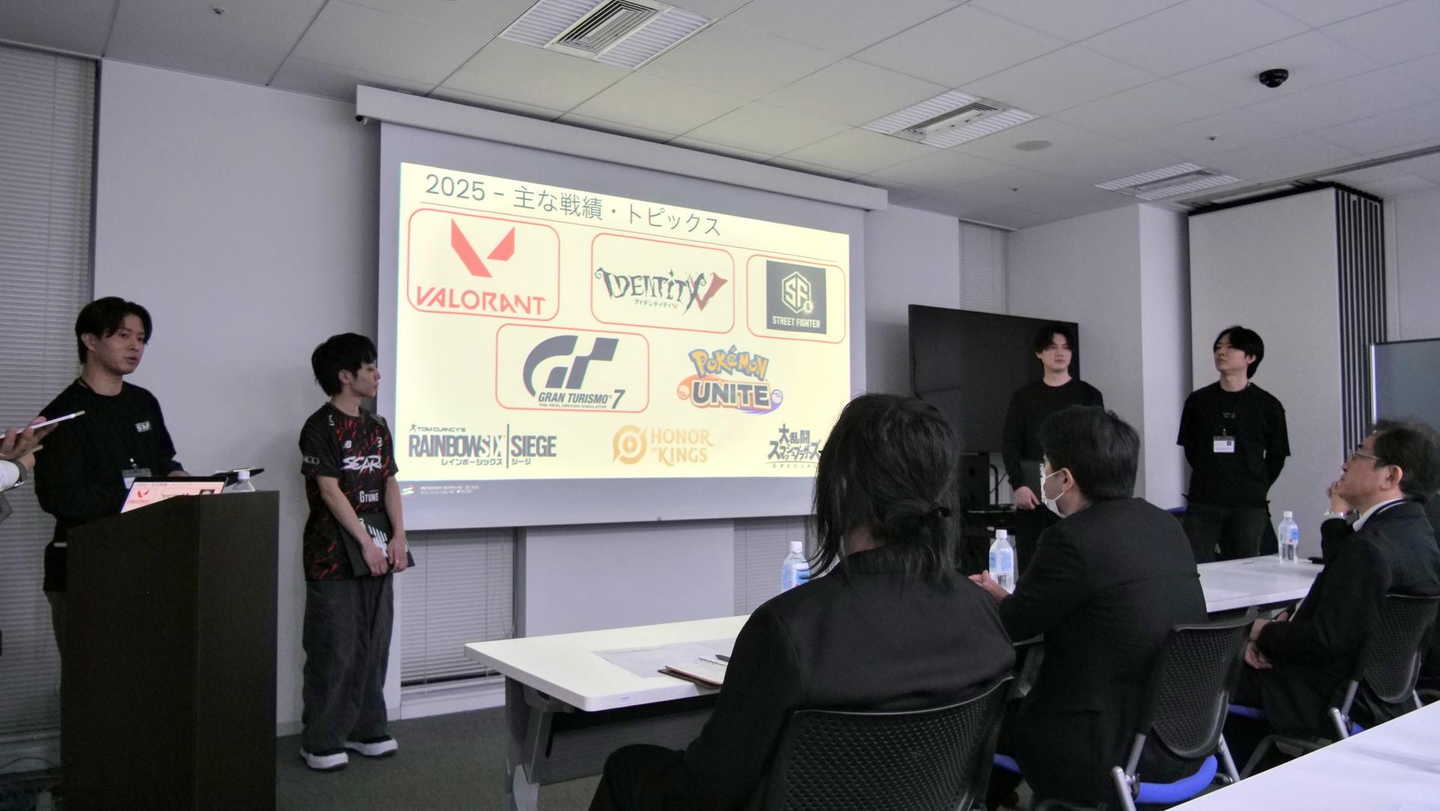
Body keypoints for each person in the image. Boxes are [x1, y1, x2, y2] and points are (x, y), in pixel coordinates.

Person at [589, 394, 1015, 811]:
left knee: (628, 765)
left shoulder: (789, 629)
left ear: (841, 487)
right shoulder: (982, 613)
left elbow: (710, 788)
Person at [973, 406, 1207, 808]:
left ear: (1065, 479)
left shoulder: (1070, 538)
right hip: (1181, 736)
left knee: (979, 720)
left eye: (1046, 464)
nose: (1043, 473)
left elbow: (1011, 628)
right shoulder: (1165, 525)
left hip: (1100, 748)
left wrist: (988, 601)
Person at [1227, 419, 1440, 768]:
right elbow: (1342, 612)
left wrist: (1261, 632)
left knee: (1207, 670)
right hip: (1384, 692)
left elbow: (1325, 640)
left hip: (1327, 694)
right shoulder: (1418, 534)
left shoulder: (1369, 547)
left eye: (1358, 455)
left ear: (1390, 476)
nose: (1345, 464)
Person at [34, 297, 187, 651]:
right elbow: (58, 497)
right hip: (86, 567)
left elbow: (165, 460)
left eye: (141, 338)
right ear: (90, 340)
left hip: (148, 561)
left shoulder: (143, 402)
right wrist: (141, 496)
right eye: (123, 335)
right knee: (94, 675)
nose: (135, 346)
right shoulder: (62, 415)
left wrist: (179, 478)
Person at [298, 333, 409, 772]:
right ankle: (321, 738)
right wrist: (364, 542)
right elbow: (329, 490)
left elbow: (389, 481)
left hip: (379, 548)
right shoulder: (318, 426)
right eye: (369, 368)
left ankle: (368, 729)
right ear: (345, 376)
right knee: (335, 646)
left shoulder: (377, 426)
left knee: (375, 643)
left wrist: (398, 536)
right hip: (332, 554)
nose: (378, 374)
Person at [1178, 326, 1290, 562]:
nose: (1221, 352)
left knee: (1245, 567)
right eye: (1218, 347)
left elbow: (1277, 456)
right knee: (1195, 566)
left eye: (1230, 347)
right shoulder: (1198, 401)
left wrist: (1255, 484)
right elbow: (1191, 449)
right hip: (1204, 500)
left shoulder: (1268, 405)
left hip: (1248, 504)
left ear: (1251, 357)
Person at [1002, 323, 1103, 574]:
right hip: (1033, 496)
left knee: (1078, 563)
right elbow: (1011, 443)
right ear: (1039, 353)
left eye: (1066, 348)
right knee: (1032, 564)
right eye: (1052, 347)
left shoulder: (1089, 395)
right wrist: (1018, 485)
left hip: (1079, 495)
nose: (1060, 353)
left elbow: (1098, 444)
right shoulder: (1023, 397)